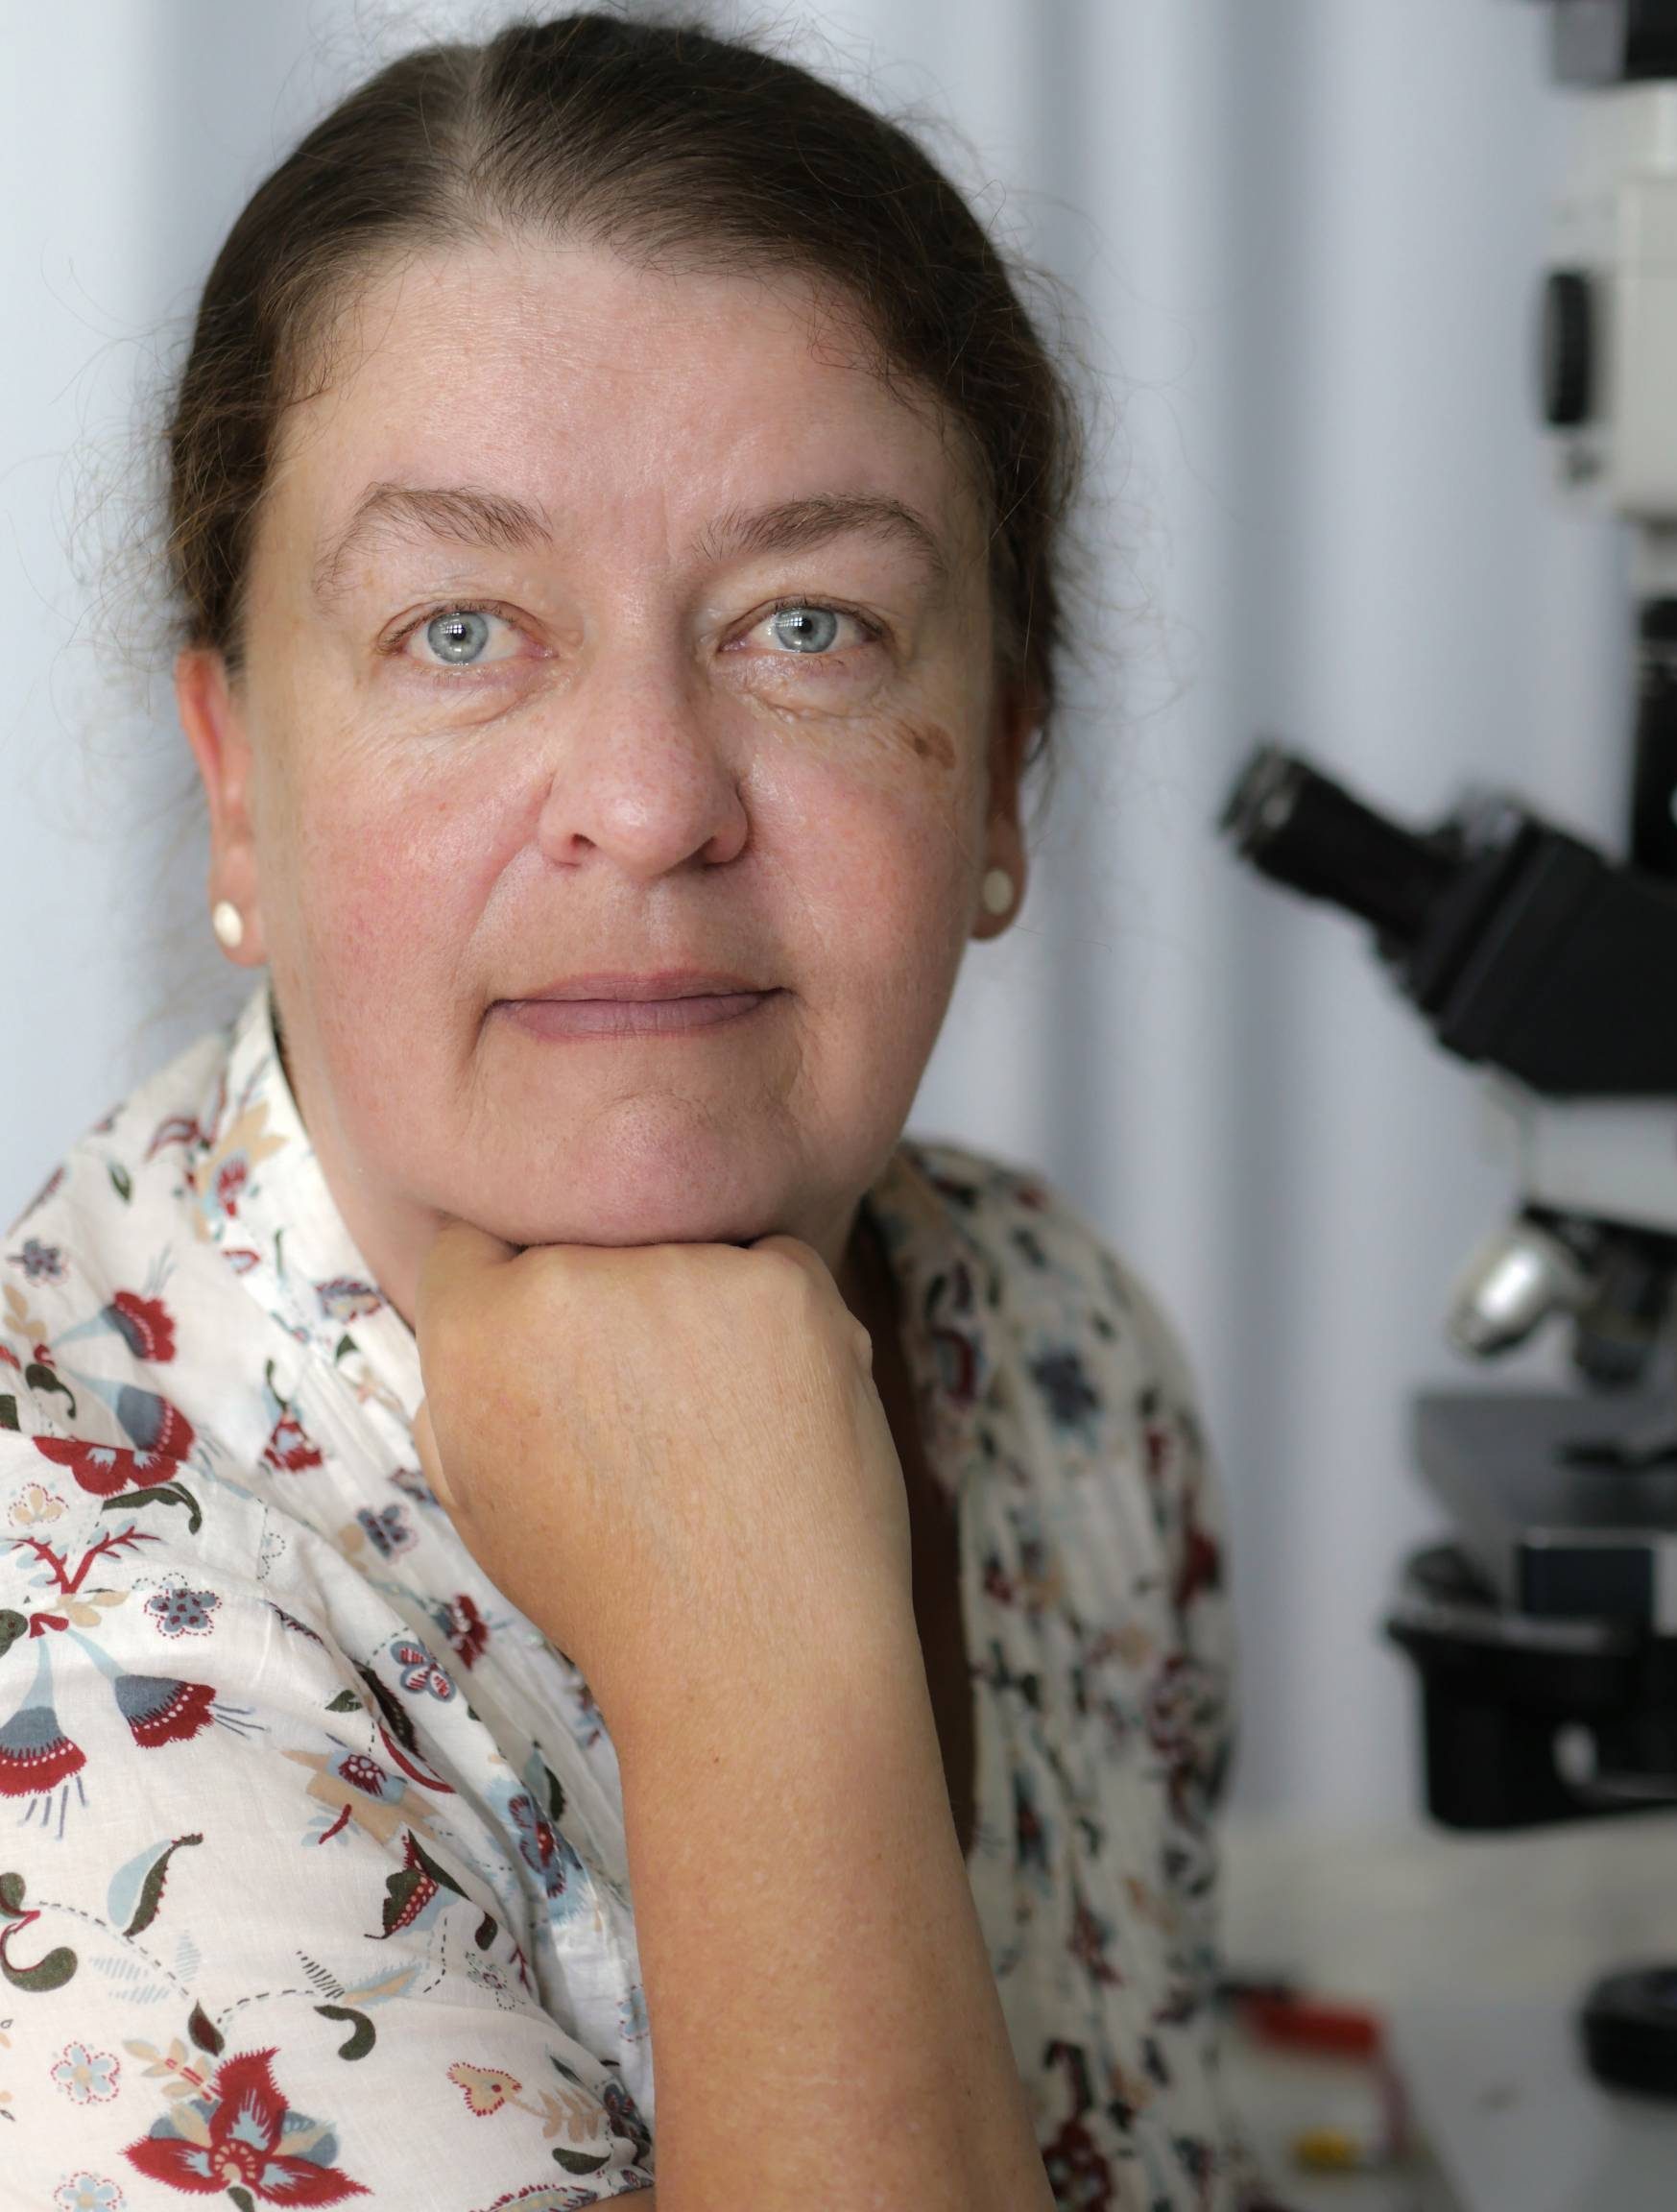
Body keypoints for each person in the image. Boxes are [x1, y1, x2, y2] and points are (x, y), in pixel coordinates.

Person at [0, 11, 1273, 2207]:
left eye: (810, 623)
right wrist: (754, 1641)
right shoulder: (77, 1643)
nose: (651, 801)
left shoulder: (1061, 1363)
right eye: (463, 628)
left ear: (1000, 772)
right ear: (235, 776)